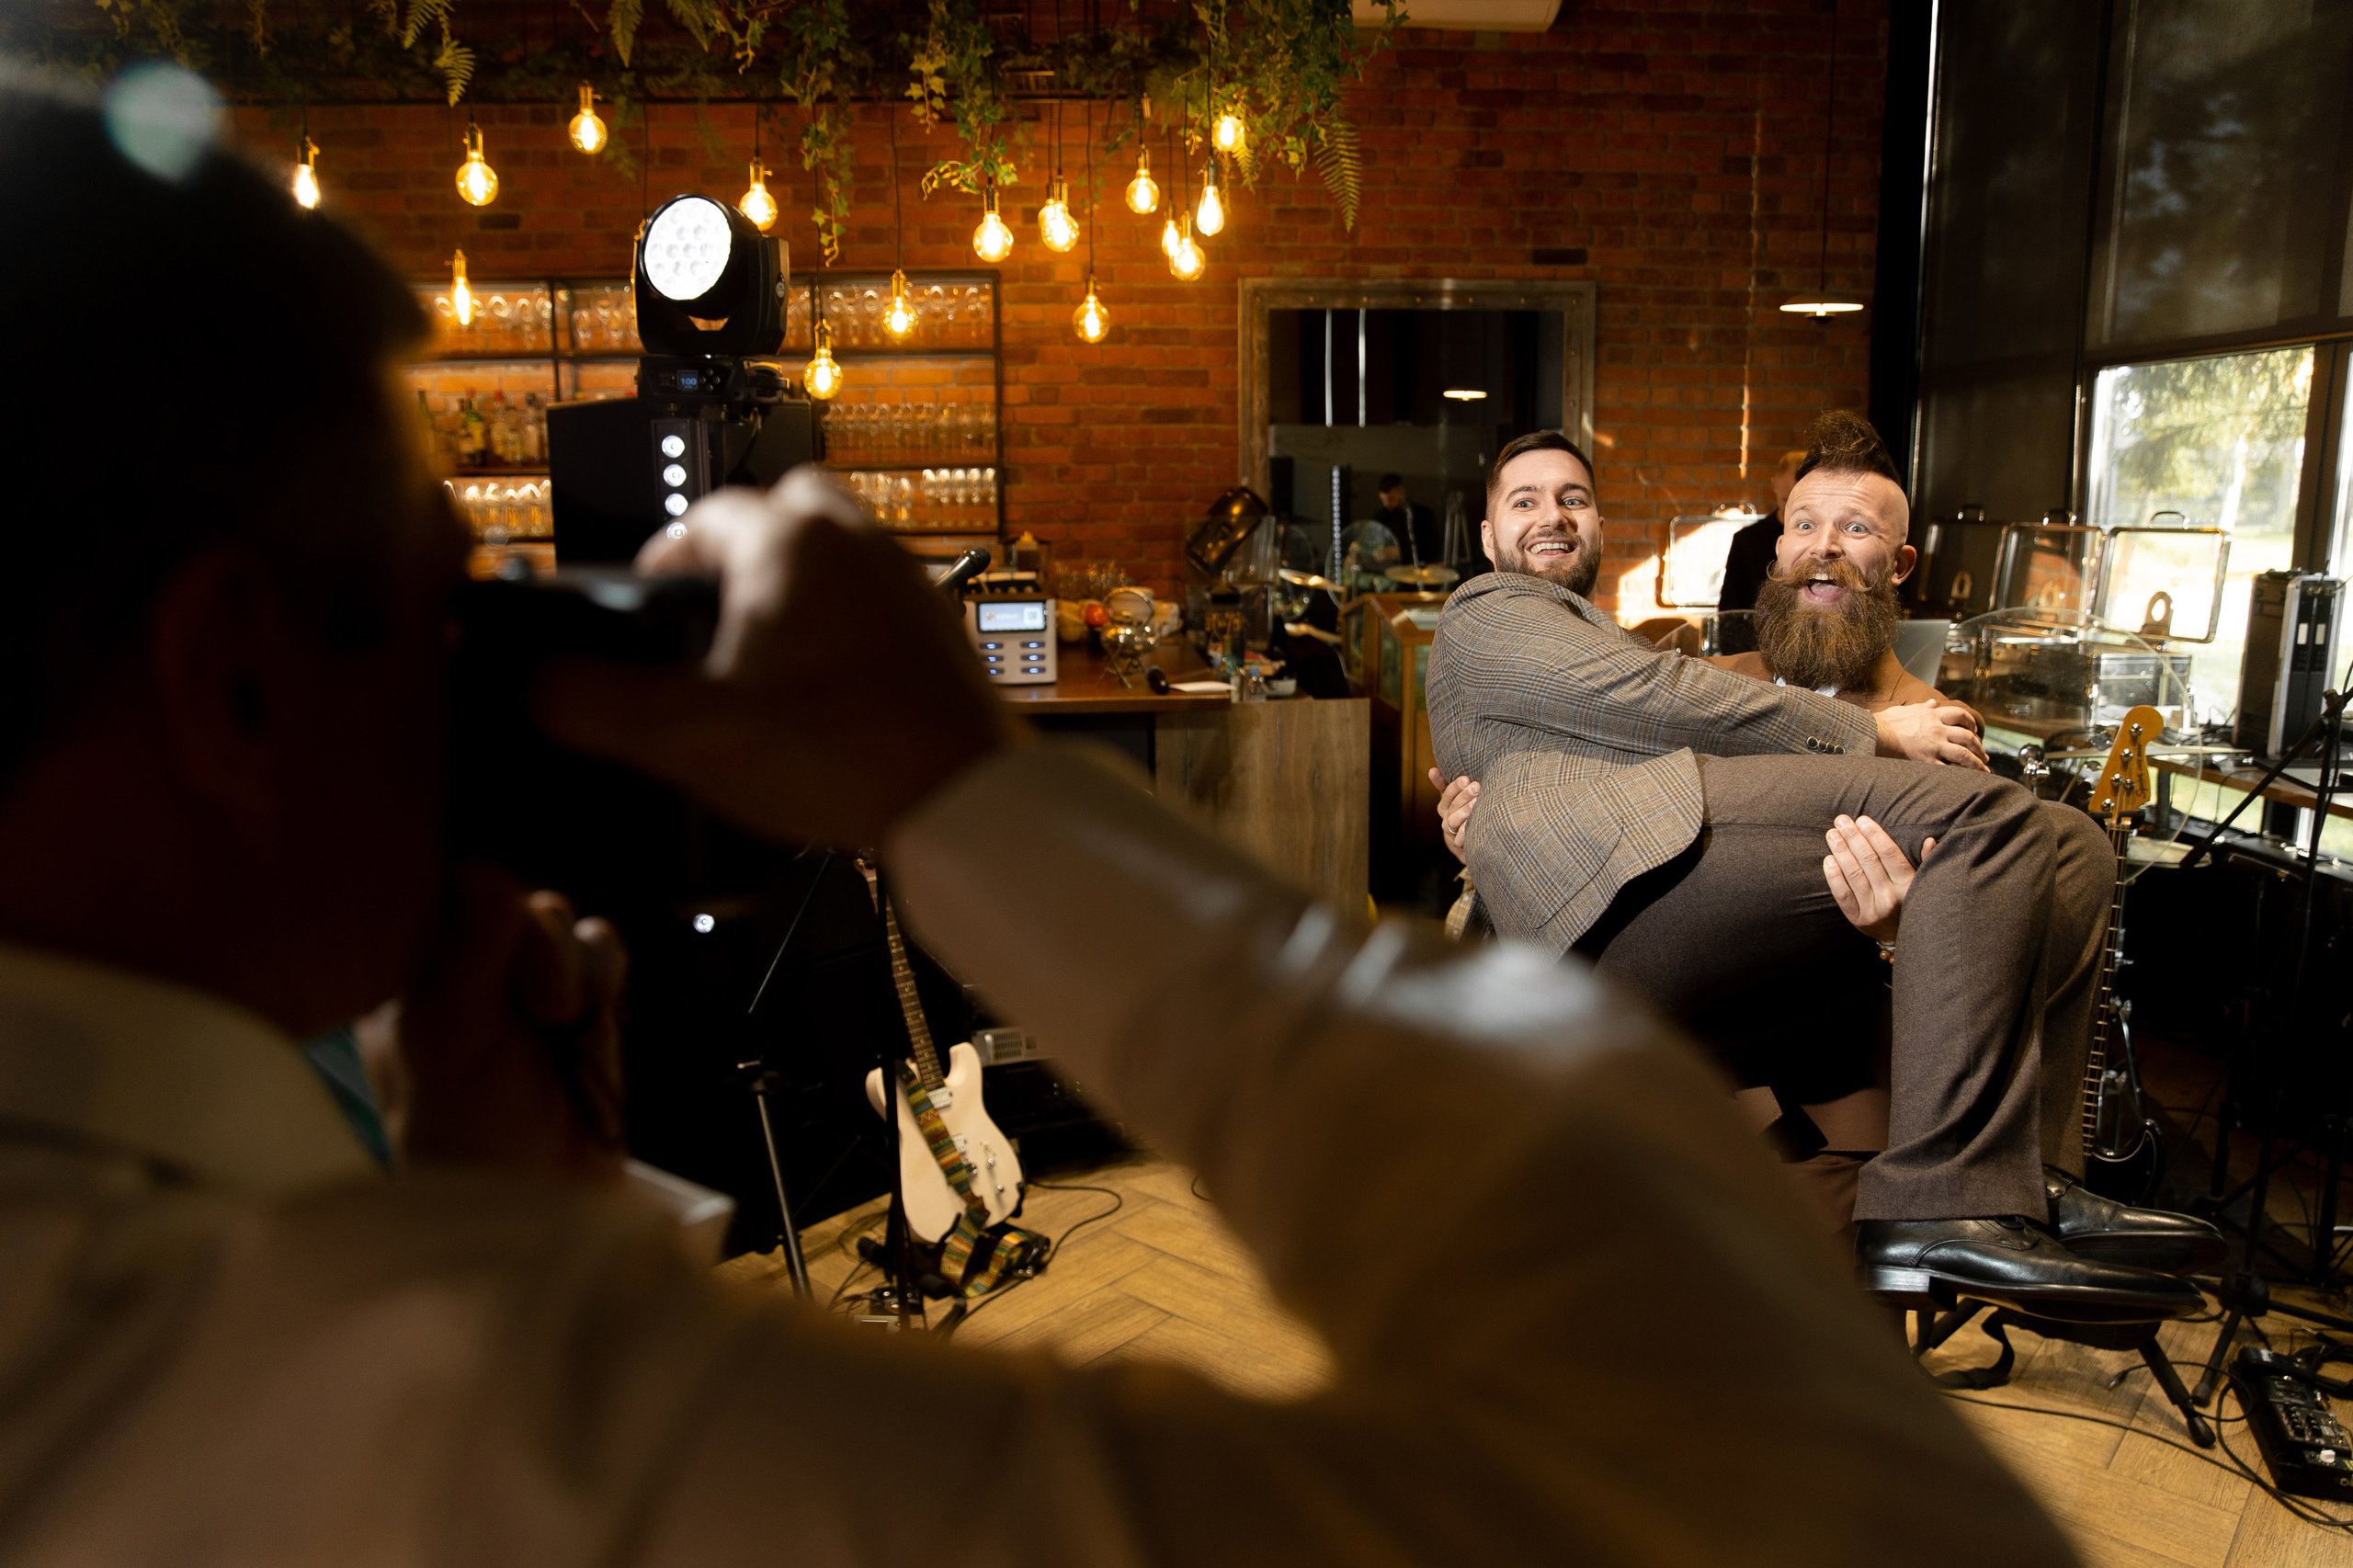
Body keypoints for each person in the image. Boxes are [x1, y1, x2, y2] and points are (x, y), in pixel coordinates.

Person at [0, 70, 2080, 1563]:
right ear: (239, 676)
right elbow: (1797, 1490)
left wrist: (501, 1250)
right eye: (437, 604)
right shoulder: (340, 1383)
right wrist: (957, 791)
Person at [1424, 425, 2215, 1315]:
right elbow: (1650, 717)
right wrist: (1482, 822)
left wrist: (1899, 929)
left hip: (1805, 1025)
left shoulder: (1925, 720)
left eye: (1572, 497)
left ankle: (2016, 1185)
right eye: (1804, 525)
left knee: (2072, 845)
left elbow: (1618, 724)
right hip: (1638, 970)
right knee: (1993, 822)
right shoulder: (1508, 617)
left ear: (1899, 563)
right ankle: (1951, 1198)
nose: (1825, 550)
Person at [1714, 448, 1805, 653]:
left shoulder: (1824, 545)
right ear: (1774, 485)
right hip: (1756, 653)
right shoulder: (1747, 541)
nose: (1794, 510)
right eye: (1786, 500)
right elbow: (1731, 612)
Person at [1372, 472, 1442, 568]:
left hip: (1415, 569)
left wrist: (1401, 552)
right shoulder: (1380, 517)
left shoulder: (1423, 515)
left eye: (1391, 499)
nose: (1387, 504)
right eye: (1383, 500)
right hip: (1387, 570)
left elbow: (1433, 548)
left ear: (1402, 492)